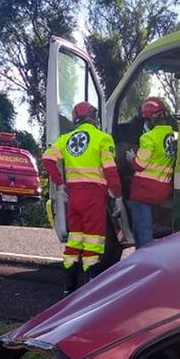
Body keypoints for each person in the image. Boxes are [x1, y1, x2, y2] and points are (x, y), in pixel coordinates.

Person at [41, 101, 122, 295]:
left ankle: (69, 287)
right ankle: (89, 288)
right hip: (94, 196)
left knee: (75, 240)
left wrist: (60, 184)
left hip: (74, 197)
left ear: (76, 119)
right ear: (94, 118)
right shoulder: (103, 138)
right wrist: (117, 195)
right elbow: (110, 169)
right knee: (93, 241)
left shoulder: (66, 138)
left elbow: (47, 158)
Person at [125, 97, 177, 247]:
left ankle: (143, 260)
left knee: (143, 232)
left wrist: (130, 158)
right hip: (163, 189)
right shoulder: (171, 135)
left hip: (144, 191)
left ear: (149, 120)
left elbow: (139, 165)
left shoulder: (148, 138)